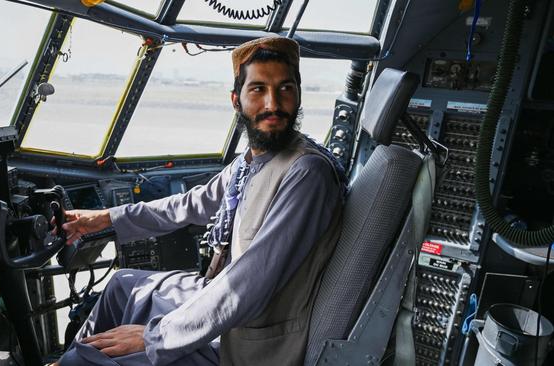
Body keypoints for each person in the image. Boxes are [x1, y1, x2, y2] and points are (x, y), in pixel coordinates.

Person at [56, 36, 346, 366]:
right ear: (236, 100)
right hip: (218, 293)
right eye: (258, 89)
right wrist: (106, 218)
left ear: (298, 95)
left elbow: (249, 282)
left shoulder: (307, 173)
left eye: (285, 89)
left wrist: (154, 336)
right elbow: (191, 204)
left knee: (83, 361)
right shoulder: (250, 161)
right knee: (122, 286)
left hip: (247, 338)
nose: (273, 104)